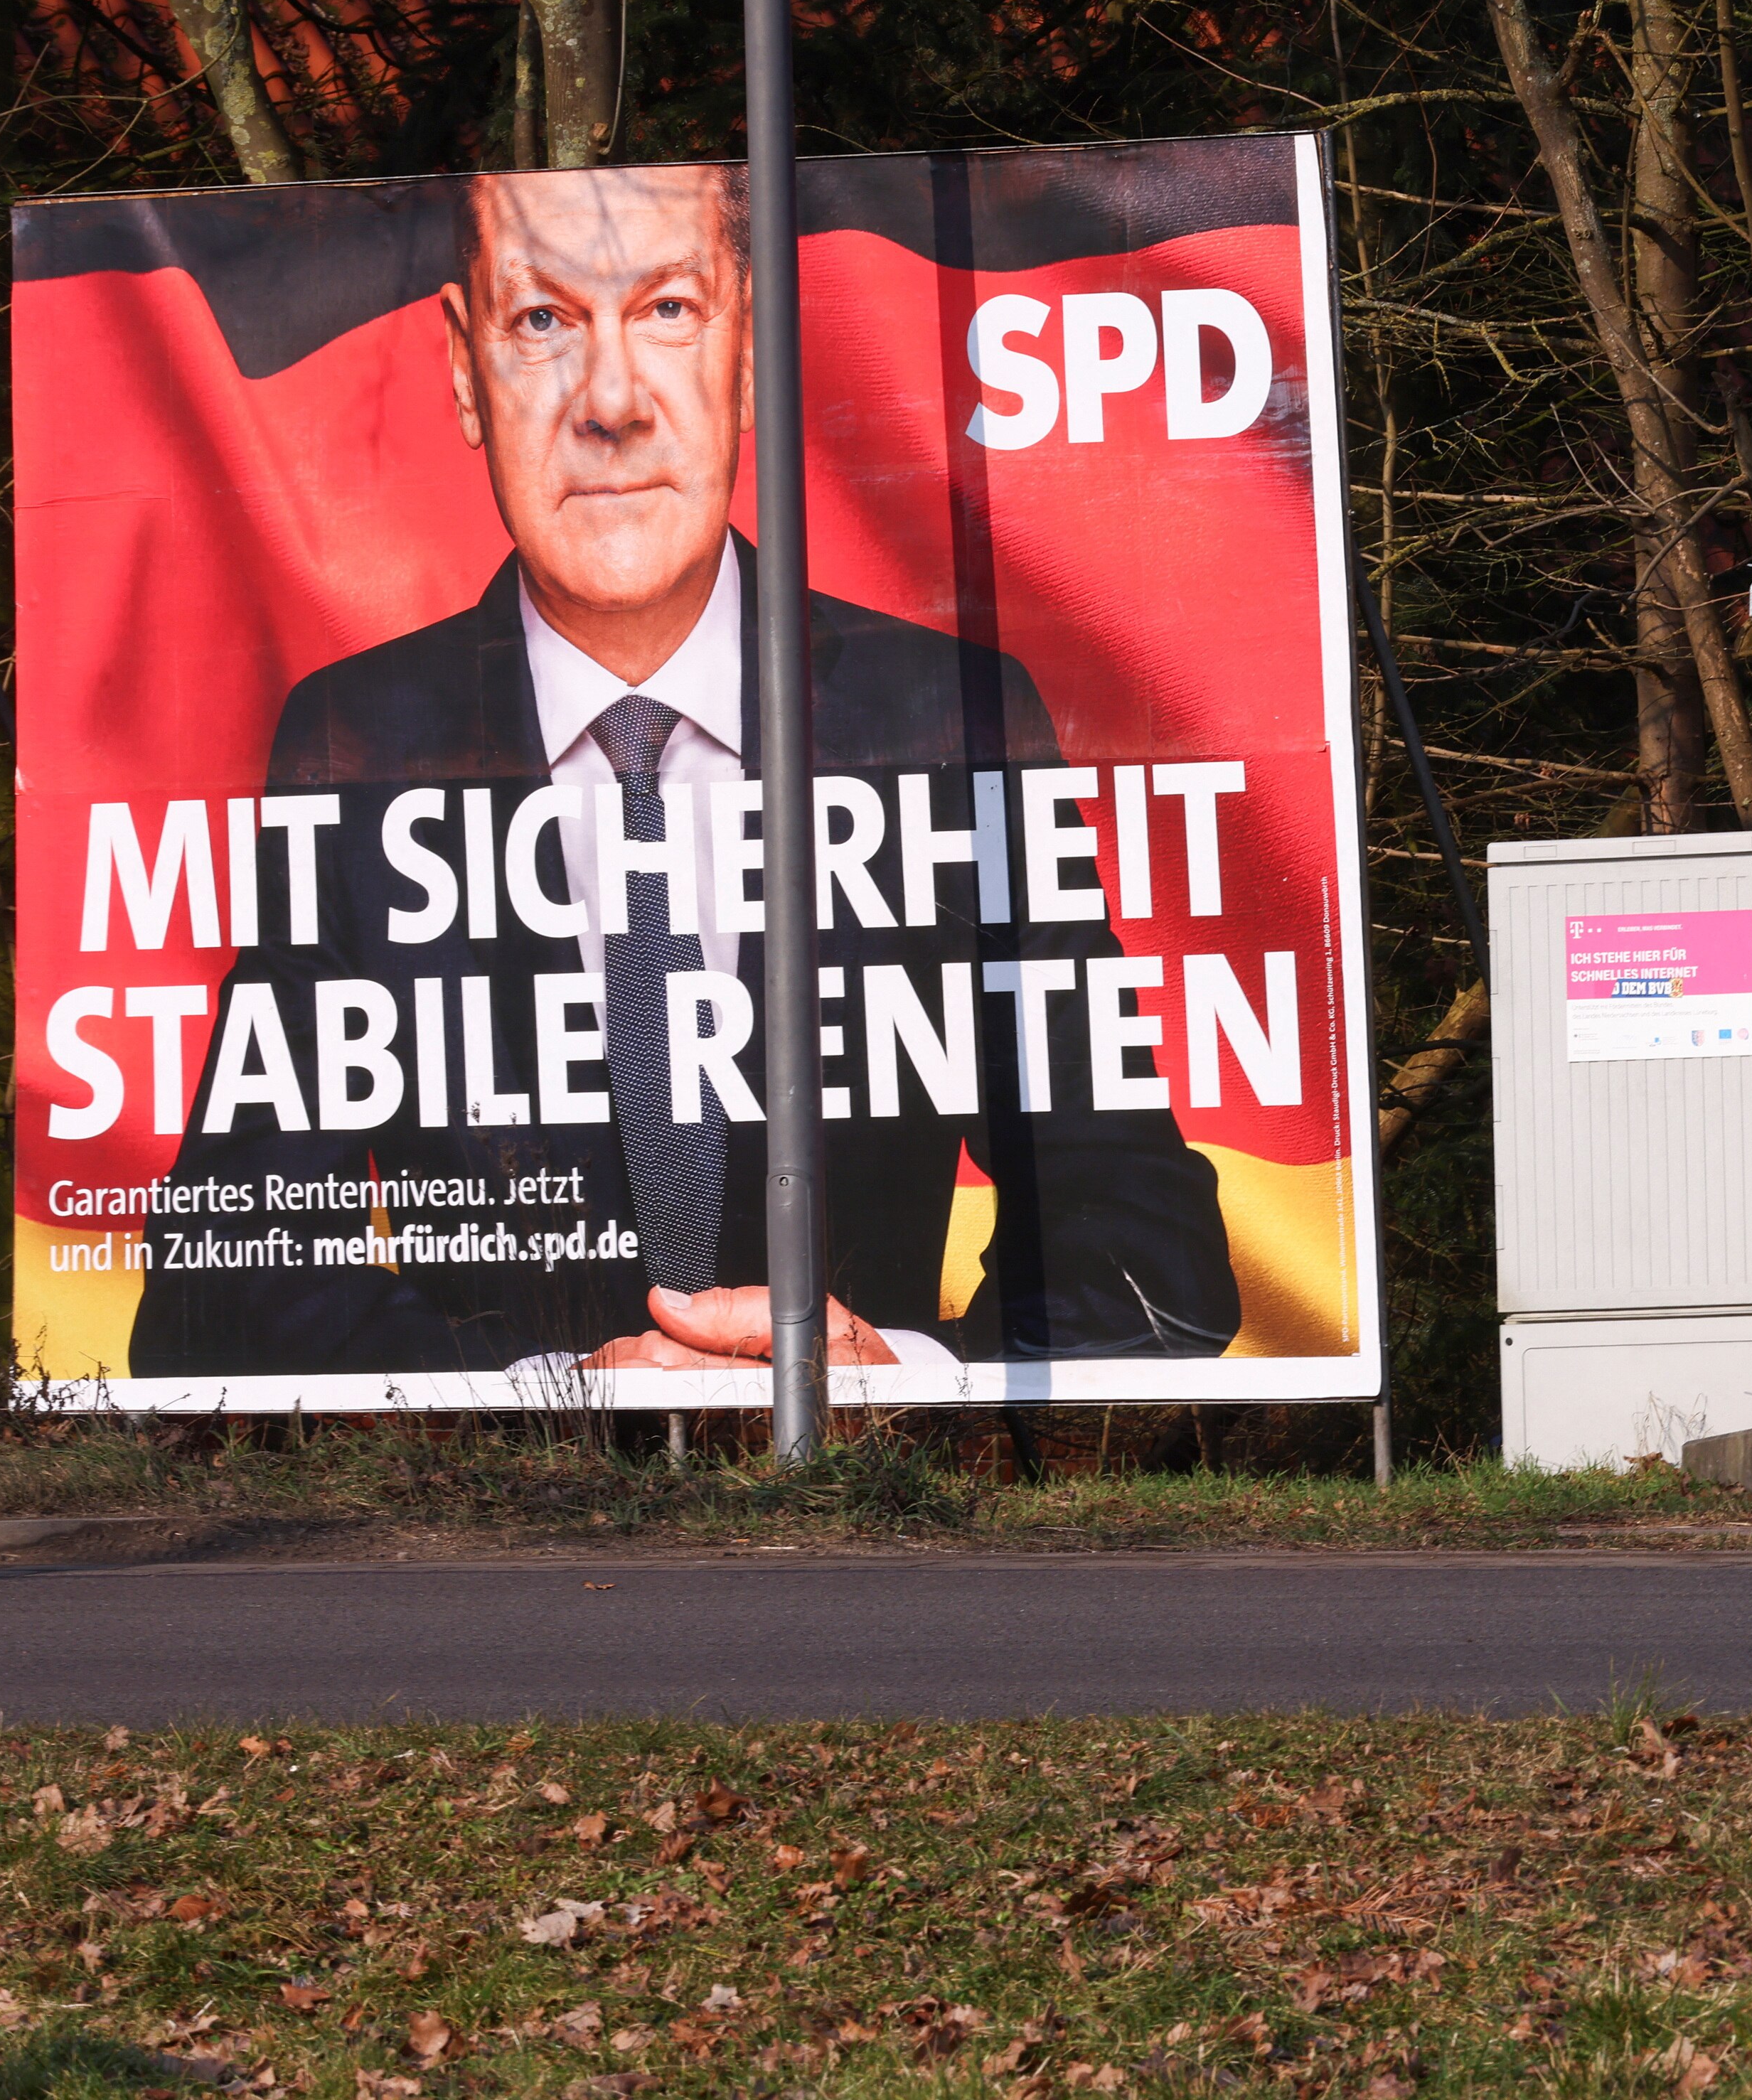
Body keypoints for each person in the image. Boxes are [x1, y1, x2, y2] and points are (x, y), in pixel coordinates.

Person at [128, 163, 1238, 1378]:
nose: (611, 401)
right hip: (509, 1504)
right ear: (463, 368)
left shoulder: (948, 720)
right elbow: (217, 1294)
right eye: (541, 319)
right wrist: (554, 1400)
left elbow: (1152, 1263)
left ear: (748, 348)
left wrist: (896, 1381)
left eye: (667, 309)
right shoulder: (356, 746)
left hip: (870, 1496)